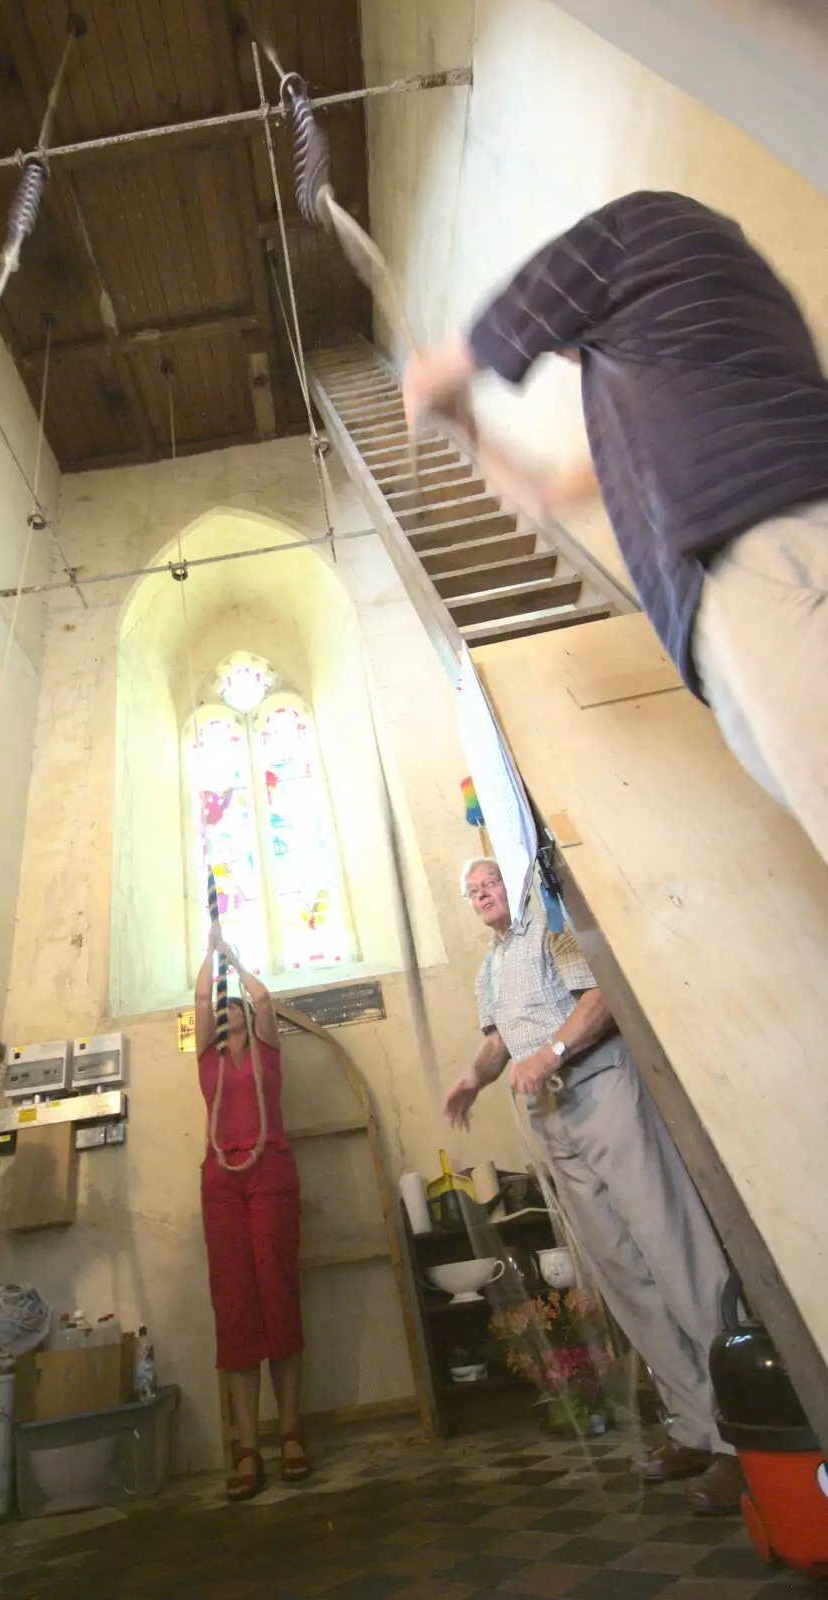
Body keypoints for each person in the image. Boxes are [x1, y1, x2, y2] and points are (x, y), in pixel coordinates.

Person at [402, 191, 828, 863]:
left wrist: (431, 374)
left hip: (762, 555)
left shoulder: (643, 229)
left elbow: (517, 309)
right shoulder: (672, 366)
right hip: (751, 576)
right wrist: (469, 430)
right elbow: (549, 493)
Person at [450, 856, 744, 1514]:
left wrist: (551, 1053)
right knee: (624, 1275)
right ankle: (695, 1427)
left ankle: (743, 1438)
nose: (482, 896)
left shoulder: (549, 925)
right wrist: (473, 1077)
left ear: (511, 883)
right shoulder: (489, 969)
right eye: (472, 893)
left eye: (489, 883)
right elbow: (500, 1043)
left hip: (599, 1086)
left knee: (674, 1250)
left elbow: (600, 999)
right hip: (551, 1117)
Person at [195, 926, 311, 1501]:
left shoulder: (266, 1047)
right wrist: (207, 953)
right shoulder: (208, 1059)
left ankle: (290, 1432)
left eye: (230, 1005)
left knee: (277, 1293)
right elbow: (197, 1000)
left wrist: (234, 958)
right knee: (236, 1306)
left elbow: (264, 999)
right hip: (221, 1183)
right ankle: (248, 1447)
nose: (225, 1011)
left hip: (270, 1174)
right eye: (220, 1008)